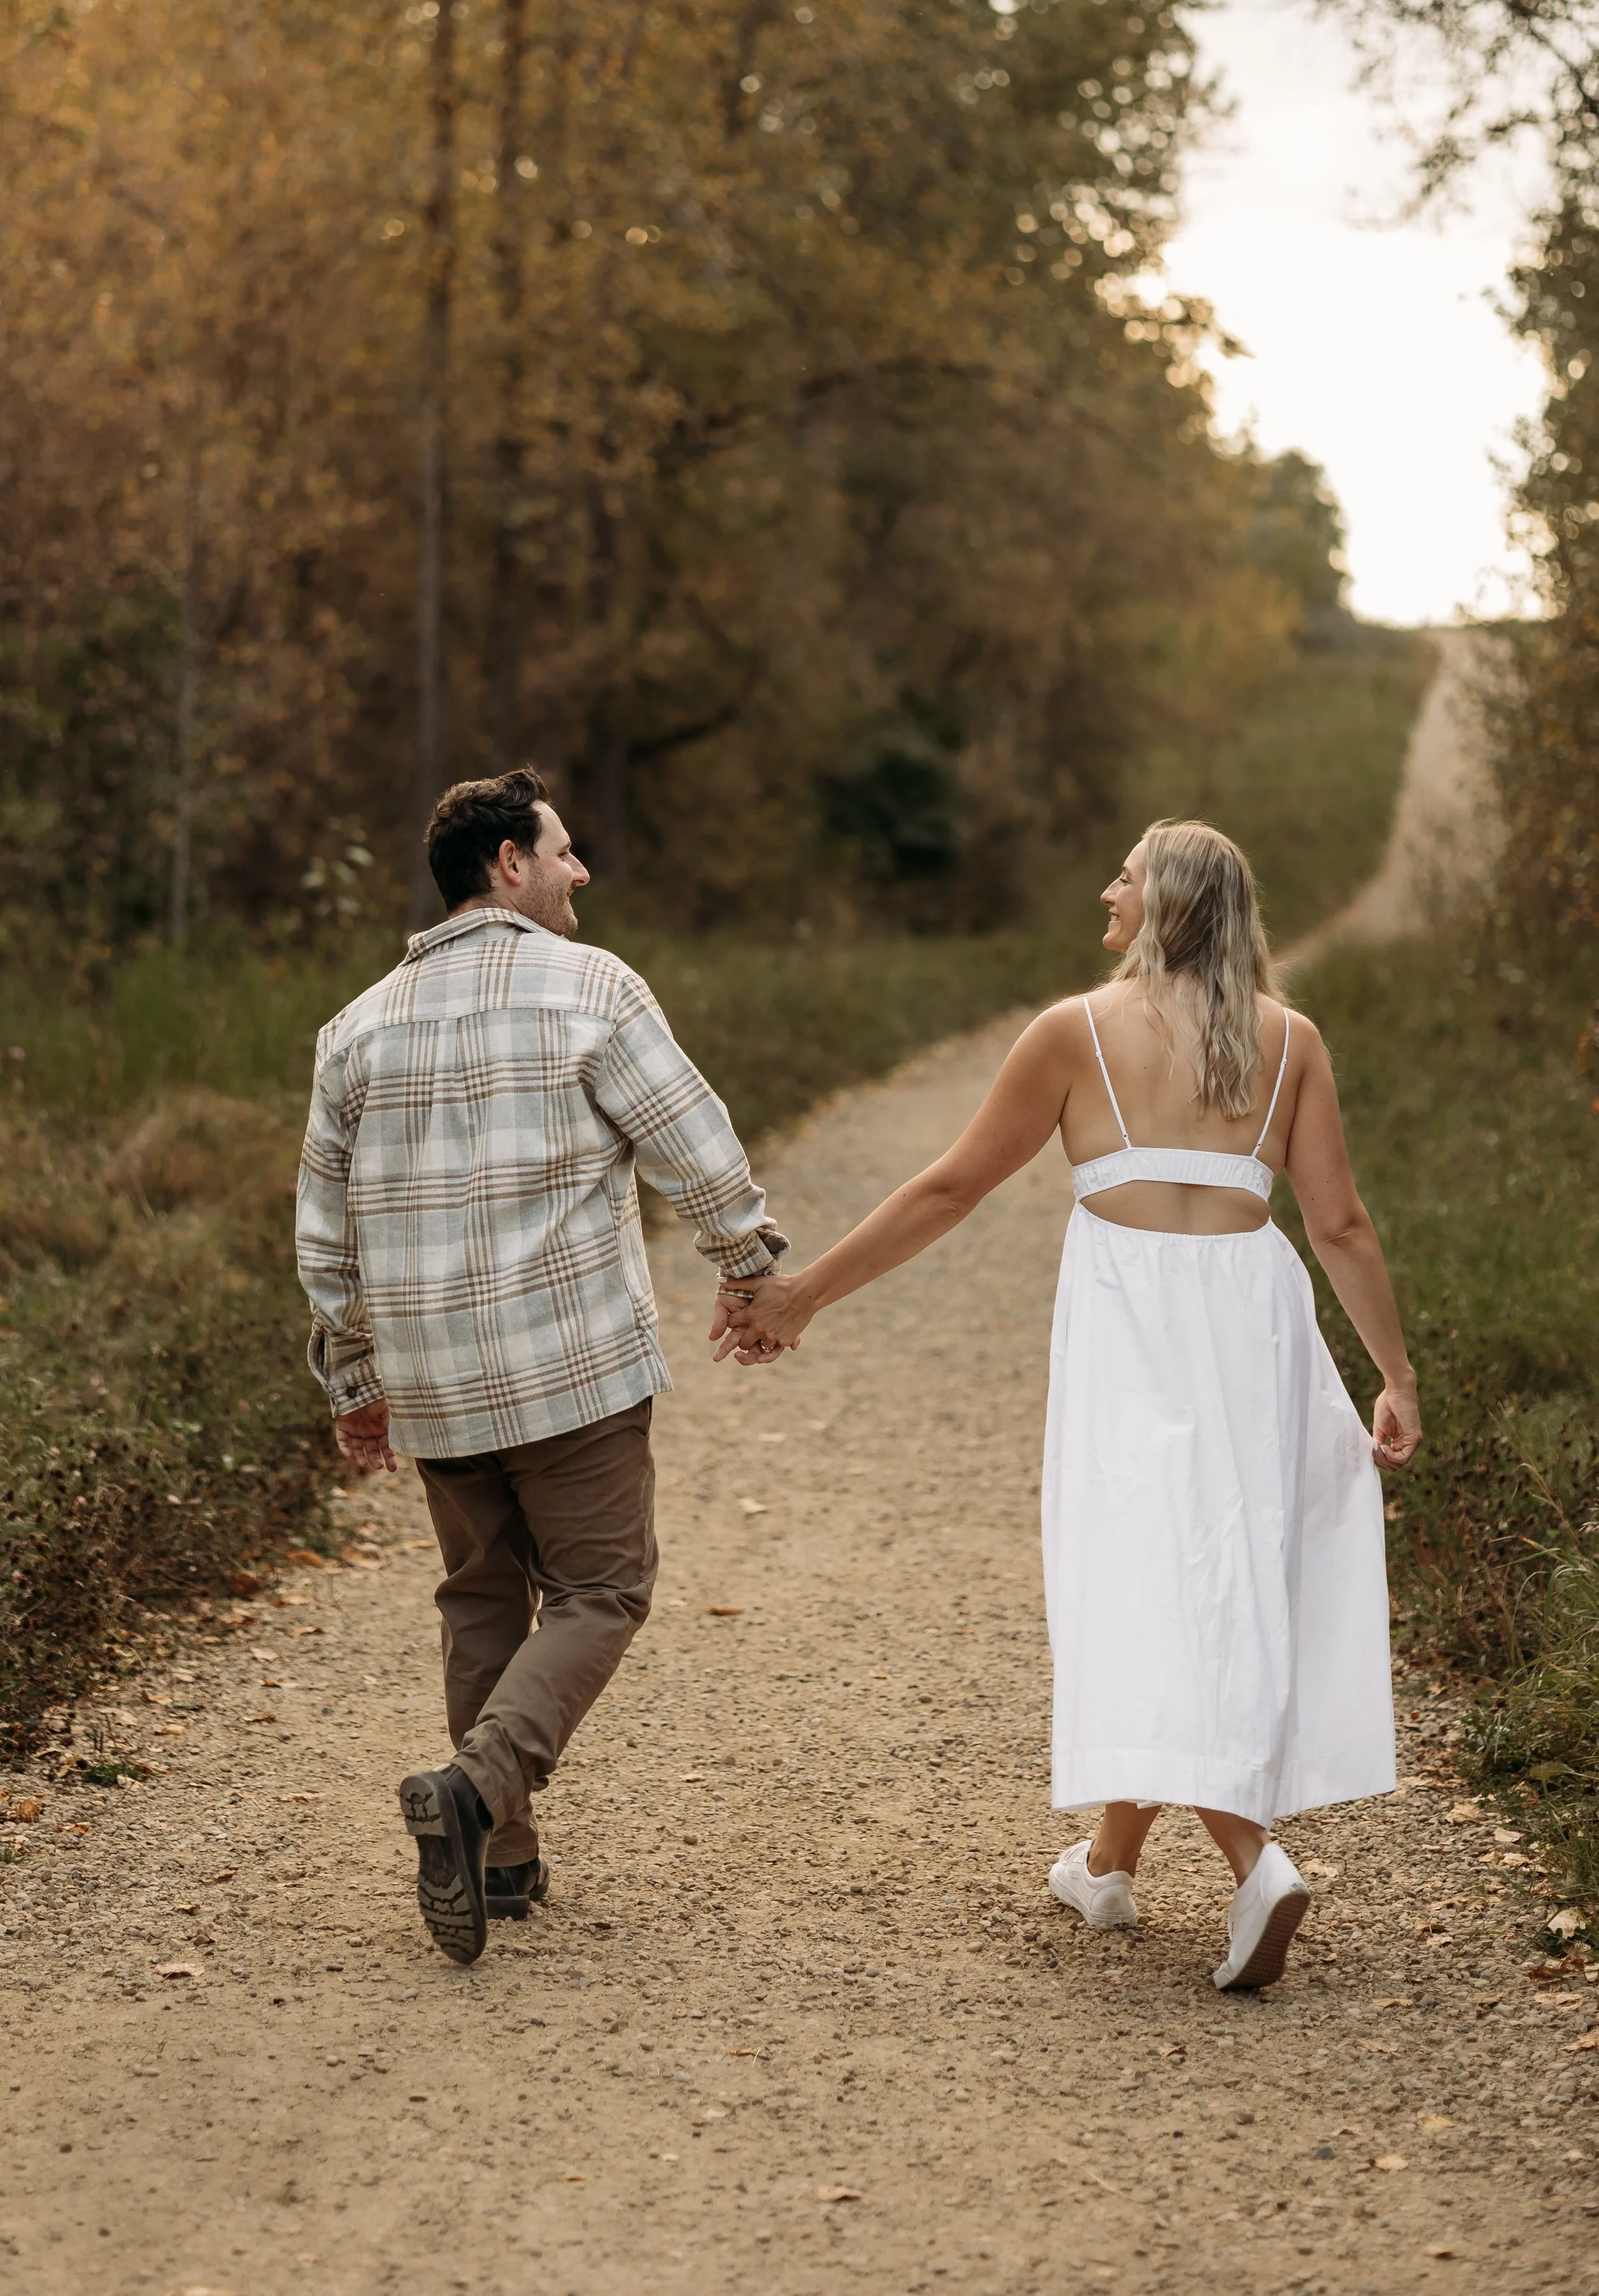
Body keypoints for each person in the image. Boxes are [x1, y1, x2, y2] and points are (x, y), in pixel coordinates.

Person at [716, 820, 1421, 1991]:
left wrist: (805, 1296)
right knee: (1204, 1581)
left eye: (1128, 876)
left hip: (1136, 1337)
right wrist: (1393, 1375)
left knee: (1146, 1583)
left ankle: (1255, 1861)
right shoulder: (1290, 1042)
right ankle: (1104, 1863)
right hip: (1256, 1333)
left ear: (1171, 907)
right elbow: (1341, 1225)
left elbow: (951, 1186)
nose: (1108, 888)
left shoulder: (1076, 1033)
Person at [295, 767, 785, 1965]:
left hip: (436, 1378)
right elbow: (694, 1143)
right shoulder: (593, 989)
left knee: (480, 1597)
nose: (579, 873)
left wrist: (354, 1380)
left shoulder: (355, 1026)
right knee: (602, 1589)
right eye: (563, 852)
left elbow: (324, 1231)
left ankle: (502, 1864)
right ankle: (473, 1794)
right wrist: (748, 1257)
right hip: (570, 1364)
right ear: (508, 862)